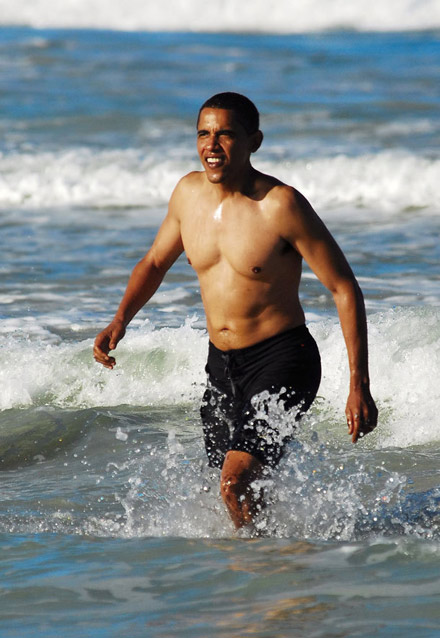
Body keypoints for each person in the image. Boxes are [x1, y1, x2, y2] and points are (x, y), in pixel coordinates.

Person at [93, 92, 378, 531]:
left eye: (225, 134)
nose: (212, 144)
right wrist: (120, 320)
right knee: (231, 484)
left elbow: (343, 287)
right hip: (221, 366)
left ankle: (257, 577)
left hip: (283, 359)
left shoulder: (281, 205)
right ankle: (277, 556)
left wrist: (359, 382)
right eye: (204, 134)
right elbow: (153, 262)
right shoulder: (188, 195)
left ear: (254, 141)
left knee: (234, 482)